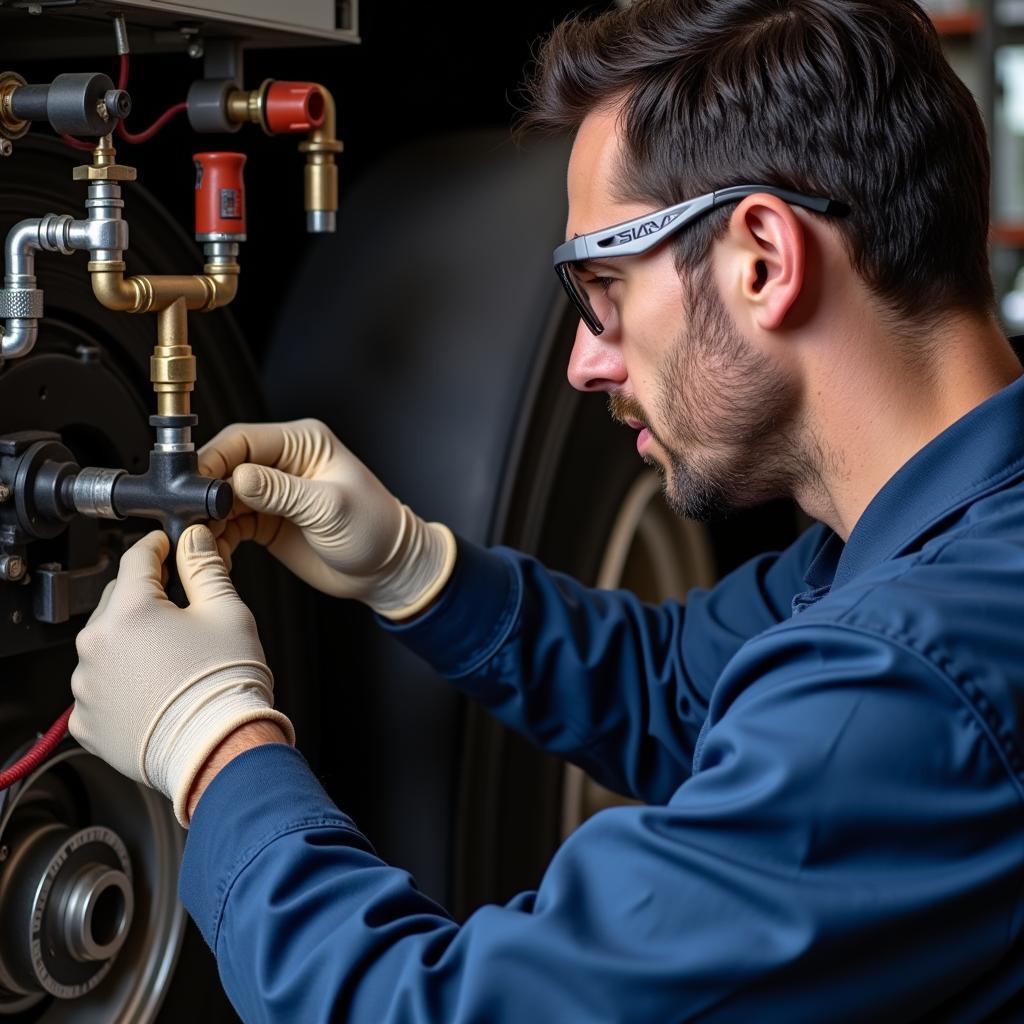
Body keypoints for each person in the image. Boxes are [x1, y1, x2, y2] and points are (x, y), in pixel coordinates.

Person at [68, 0, 1024, 1019]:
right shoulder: (926, 540)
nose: (583, 361)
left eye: (603, 288)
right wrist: (418, 571)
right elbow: (679, 690)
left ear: (762, 260)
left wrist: (211, 747)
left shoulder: (913, 674)